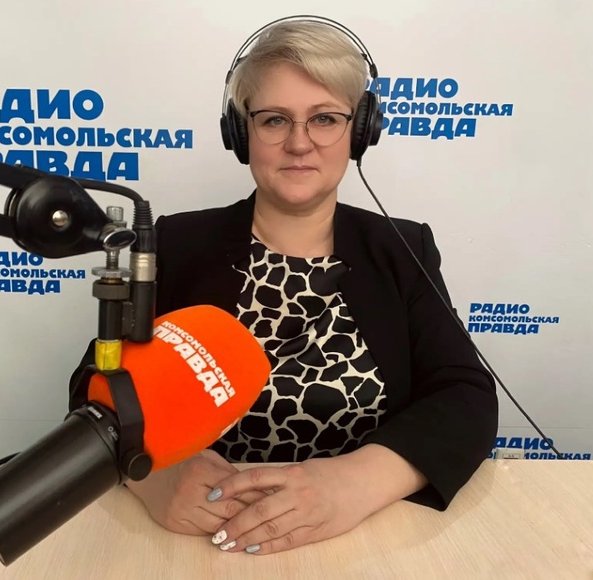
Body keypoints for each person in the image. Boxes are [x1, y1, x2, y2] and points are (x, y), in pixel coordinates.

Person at [68, 16, 498, 556]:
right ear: (240, 133)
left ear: (360, 131)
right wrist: (150, 475)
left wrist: (357, 481)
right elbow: (96, 383)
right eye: (274, 120)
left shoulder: (402, 249)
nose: (299, 143)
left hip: (365, 540)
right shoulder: (179, 241)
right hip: (197, 543)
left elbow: (465, 395)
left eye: (325, 119)